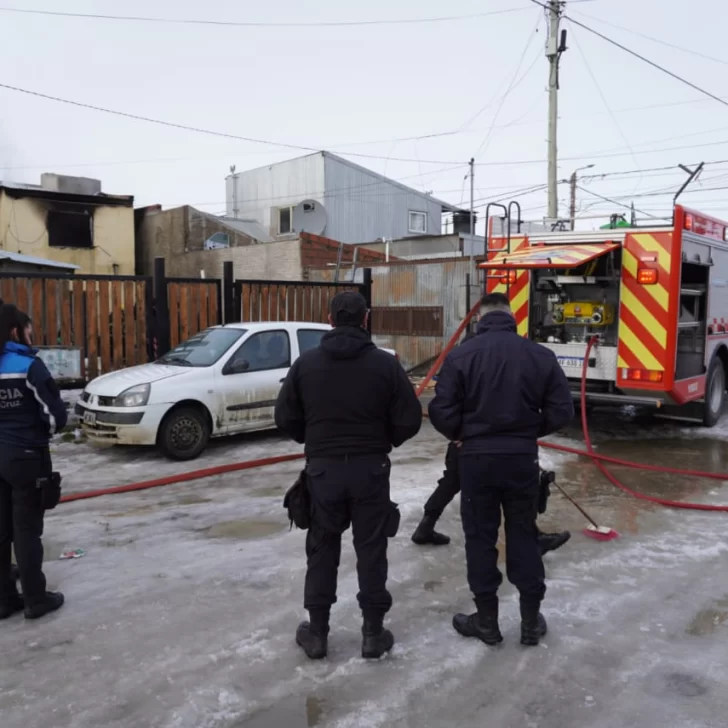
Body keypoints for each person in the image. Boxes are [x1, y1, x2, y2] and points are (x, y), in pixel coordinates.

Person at [275, 291, 422, 660]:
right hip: (371, 469)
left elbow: (285, 417)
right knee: (372, 549)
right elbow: (410, 418)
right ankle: (373, 633)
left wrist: (314, 440)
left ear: (329, 318)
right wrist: (382, 441)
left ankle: (318, 634)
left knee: (323, 549)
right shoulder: (385, 366)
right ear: (365, 319)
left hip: (322, 471)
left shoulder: (306, 365)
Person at [429, 292, 573, 647]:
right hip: (521, 461)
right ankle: (529, 622)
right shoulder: (539, 356)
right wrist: (526, 433)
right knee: (523, 534)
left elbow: (441, 411)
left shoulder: (461, 357)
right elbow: (561, 411)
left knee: (480, 538)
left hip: (476, 462)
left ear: (480, 320)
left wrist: (464, 433)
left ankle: (487, 623)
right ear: (512, 319)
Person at [412, 331, 571, 553]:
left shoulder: (473, 348)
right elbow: (451, 401)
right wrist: (459, 434)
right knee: (501, 490)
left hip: (473, 437)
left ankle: (426, 526)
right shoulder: (476, 350)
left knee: (451, 482)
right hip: (473, 439)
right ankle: (529, 540)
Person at [0, 304, 67, 620]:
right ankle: (35, 599)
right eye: (29, 329)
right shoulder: (28, 366)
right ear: (16, 332)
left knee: (1, 530)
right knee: (26, 530)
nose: (32, 335)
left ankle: (3, 600)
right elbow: (56, 417)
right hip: (26, 458)